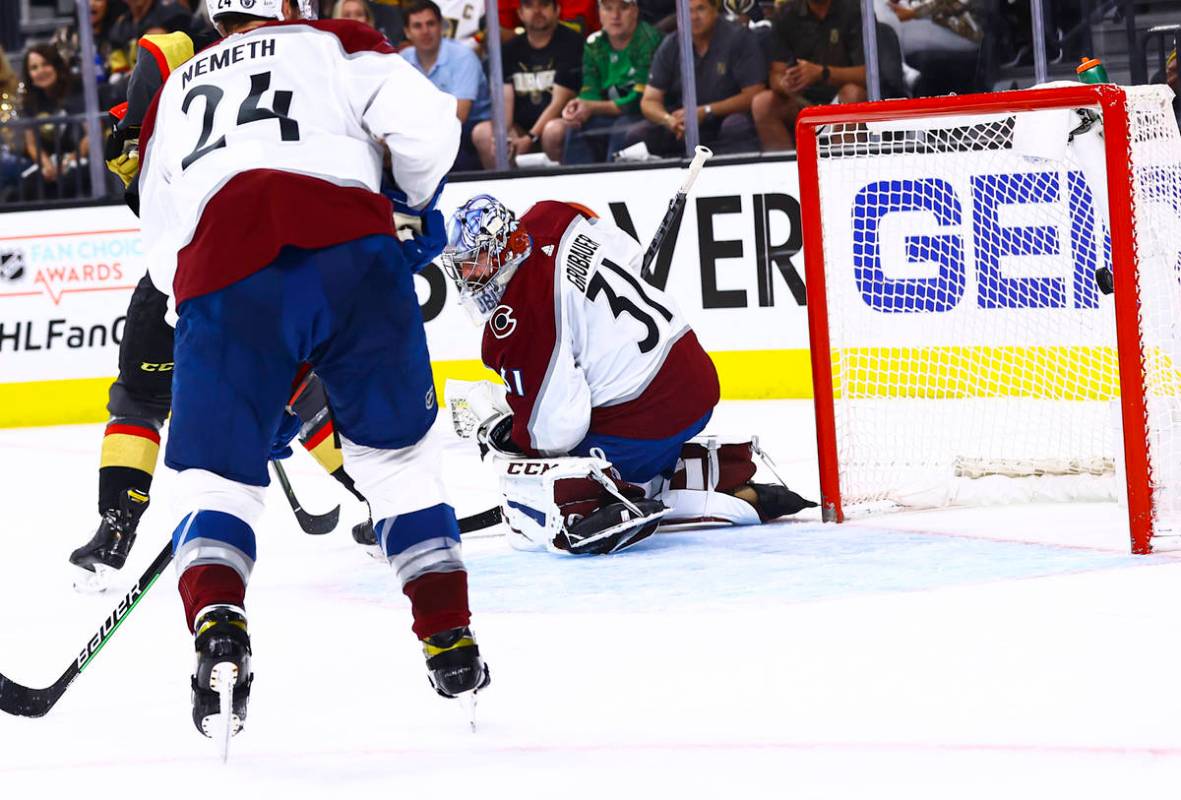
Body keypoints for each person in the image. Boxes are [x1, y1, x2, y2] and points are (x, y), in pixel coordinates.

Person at [136, 0, 490, 740]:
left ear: (214, 16)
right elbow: (430, 127)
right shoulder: (334, 41)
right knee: (396, 462)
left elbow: (164, 244)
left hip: (220, 283)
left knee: (217, 484)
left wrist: (231, 363)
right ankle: (447, 635)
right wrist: (407, 201)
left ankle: (219, 630)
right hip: (351, 256)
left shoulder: (173, 91)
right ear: (288, 7)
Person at [440, 194, 816, 555]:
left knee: (549, 476)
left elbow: (557, 429)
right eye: (460, 266)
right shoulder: (555, 215)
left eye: (474, 262)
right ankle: (686, 471)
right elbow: (630, 255)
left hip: (646, 421)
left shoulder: (517, 322)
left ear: (504, 250)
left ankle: (640, 491)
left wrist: (516, 437)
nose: (467, 276)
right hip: (695, 377)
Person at [629, 0, 764, 157]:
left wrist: (705, 111)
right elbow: (650, 100)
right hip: (683, 121)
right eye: (688, 11)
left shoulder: (738, 38)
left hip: (726, 116)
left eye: (700, 9)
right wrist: (668, 120)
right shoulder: (672, 43)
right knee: (638, 135)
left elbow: (754, 93)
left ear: (715, 9)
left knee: (736, 126)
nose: (693, 17)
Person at [541, 0, 662, 164]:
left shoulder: (650, 39)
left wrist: (591, 107)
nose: (615, 16)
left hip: (644, 113)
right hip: (610, 112)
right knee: (577, 127)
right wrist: (579, 108)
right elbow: (590, 92)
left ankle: (616, 184)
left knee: (622, 128)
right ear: (599, 12)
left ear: (635, 10)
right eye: (608, 8)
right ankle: (576, 184)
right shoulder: (594, 43)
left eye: (623, 8)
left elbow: (639, 100)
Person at [471, 0, 583, 168]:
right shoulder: (509, 50)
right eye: (529, 6)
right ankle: (501, 189)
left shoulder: (571, 42)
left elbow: (559, 103)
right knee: (483, 133)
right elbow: (505, 101)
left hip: (560, 123)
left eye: (543, 5)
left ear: (557, 10)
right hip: (521, 127)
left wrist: (531, 138)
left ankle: (559, 188)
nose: (537, 11)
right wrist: (503, 137)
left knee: (553, 130)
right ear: (520, 13)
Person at [750, 0, 867, 152]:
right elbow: (776, 73)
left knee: (853, 93)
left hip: (842, 97)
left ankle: (845, 165)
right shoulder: (786, 15)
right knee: (763, 103)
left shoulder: (855, 11)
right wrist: (785, 84)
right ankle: (785, 169)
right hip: (802, 99)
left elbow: (869, 74)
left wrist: (822, 73)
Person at [400, 0, 490, 170]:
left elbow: (459, 115)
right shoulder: (403, 59)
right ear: (407, 32)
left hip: (466, 132)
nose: (425, 31)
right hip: (423, 131)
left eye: (431, 24)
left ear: (442, 26)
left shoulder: (463, 56)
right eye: (417, 26)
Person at [21, 44, 90, 199]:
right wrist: (47, 165)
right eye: (34, 68)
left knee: (69, 182)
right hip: (51, 163)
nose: (40, 71)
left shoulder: (76, 88)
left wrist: (68, 161)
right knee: (29, 186)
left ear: (56, 66)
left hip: (80, 160)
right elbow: (31, 143)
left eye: (45, 64)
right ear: (29, 74)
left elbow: (92, 133)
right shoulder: (29, 100)